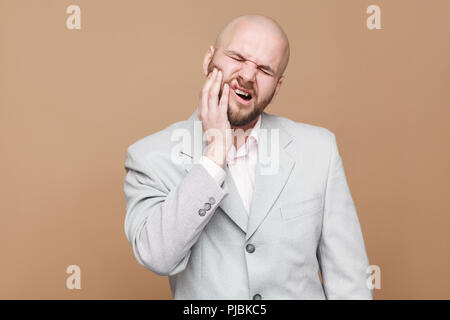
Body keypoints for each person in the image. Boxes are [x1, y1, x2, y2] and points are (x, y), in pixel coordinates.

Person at [123, 14, 372, 300]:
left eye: (265, 70)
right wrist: (214, 155)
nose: (248, 76)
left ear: (277, 88)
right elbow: (157, 255)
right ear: (208, 61)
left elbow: (349, 280)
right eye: (237, 57)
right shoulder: (150, 157)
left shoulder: (319, 150)